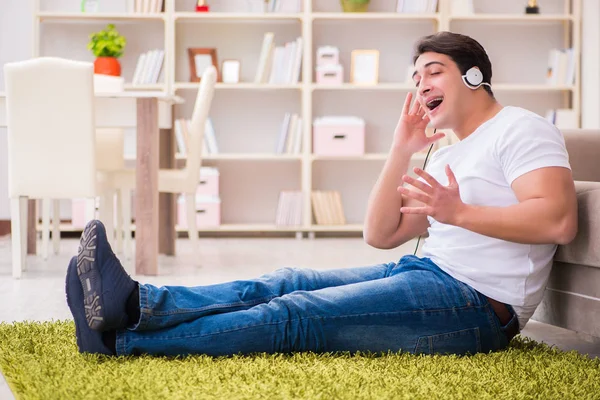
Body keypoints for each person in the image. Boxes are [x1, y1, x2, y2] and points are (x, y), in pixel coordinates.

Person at [65, 31, 578, 358]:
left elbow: (557, 221)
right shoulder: (444, 153)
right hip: (425, 276)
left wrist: (459, 212)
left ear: (474, 76)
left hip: (477, 307)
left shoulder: (520, 128)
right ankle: (135, 305)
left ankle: (119, 342)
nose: (421, 87)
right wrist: (400, 149)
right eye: (416, 79)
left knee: (298, 314)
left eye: (433, 72)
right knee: (287, 280)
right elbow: (380, 236)